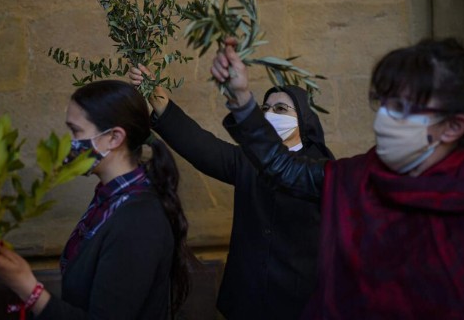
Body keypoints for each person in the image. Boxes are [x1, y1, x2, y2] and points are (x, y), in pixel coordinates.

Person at [210, 37, 464, 319]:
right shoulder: (357, 175)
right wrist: (242, 100)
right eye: (383, 102)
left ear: (453, 127)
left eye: (403, 108)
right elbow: (283, 168)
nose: (384, 118)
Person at [129, 63, 334, 319]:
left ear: (303, 120)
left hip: (298, 304)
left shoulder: (322, 170)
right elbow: (201, 146)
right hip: (245, 301)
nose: (270, 114)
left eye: (281, 109)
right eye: (265, 108)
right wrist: (156, 94)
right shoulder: (247, 161)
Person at [0, 80, 191, 319]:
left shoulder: (139, 221)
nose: (69, 142)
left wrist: (29, 289)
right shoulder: (112, 198)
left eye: (76, 131)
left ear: (114, 138)